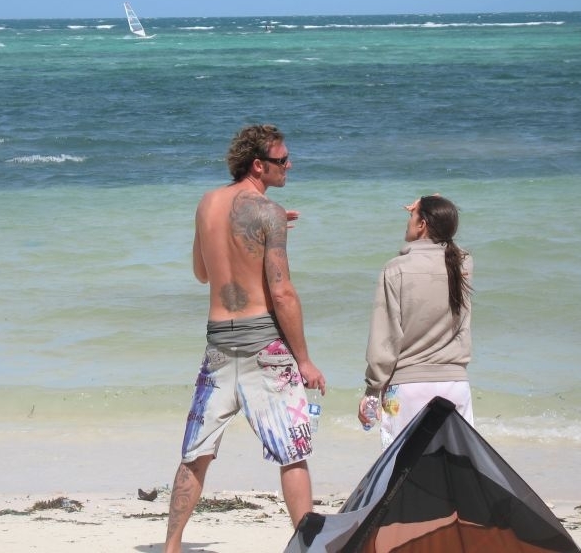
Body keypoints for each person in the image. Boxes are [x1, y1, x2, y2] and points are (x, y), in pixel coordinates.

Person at [164, 124, 326, 553]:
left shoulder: (207, 203)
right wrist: (305, 360)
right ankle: (307, 547)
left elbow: (202, 273)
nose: (289, 165)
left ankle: (171, 546)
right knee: (292, 452)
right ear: (258, 165)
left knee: (196, 454)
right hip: (264, 346)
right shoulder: (268, 212)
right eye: (282, 160)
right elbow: (282, 292)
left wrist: (265, 231)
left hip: (218, 343)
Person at [357, 194, 473, 449]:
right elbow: (449, 238)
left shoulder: (395, 269)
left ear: (422, 225)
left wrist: (372, 391)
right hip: (456, 387)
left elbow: (385, 337)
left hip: (407, 390)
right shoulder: (462, 264)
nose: (407, 221)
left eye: (412, 216)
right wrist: (430, 202)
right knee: (451, 466)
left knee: (402, 466)